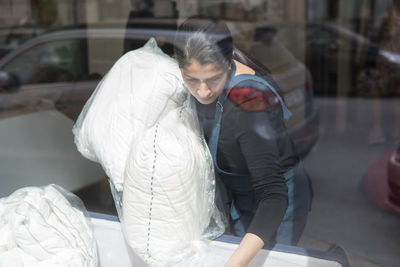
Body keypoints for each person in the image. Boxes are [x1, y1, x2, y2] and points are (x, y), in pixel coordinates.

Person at [174, 18, 312, 266]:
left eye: (213, 79)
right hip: (241, 194)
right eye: (192, 80)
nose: (203, 91)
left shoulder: (249, 105)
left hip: (275, 202)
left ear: (229, 63)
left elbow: (273, 195)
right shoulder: (197, 83)